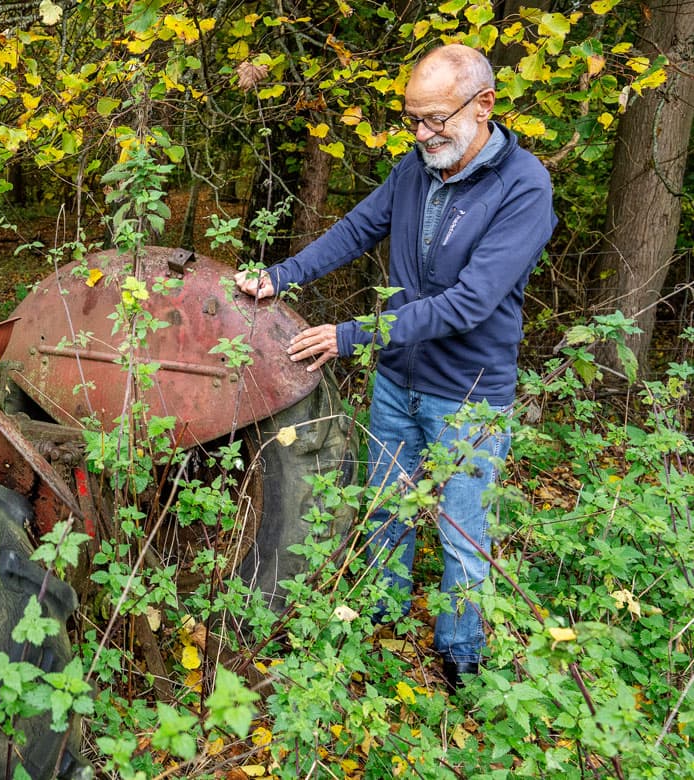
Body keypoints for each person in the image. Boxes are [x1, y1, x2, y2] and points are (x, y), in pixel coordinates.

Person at [233, 44, 555, 692]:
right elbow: (355, 230)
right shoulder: (416, 167)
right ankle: (380, 615)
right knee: (385, 507)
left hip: (467, 395)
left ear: (484, 104)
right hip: (397, 381)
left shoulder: (523, 188)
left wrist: (352, 335)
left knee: (463, 531)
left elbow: (468, 304)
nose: (421, 133)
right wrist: (279, 275)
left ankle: (462, 657)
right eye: (413, 118)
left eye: (435, 119)